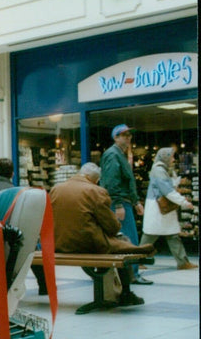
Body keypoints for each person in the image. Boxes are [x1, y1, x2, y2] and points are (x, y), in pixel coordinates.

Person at [50, 162, 153, 305]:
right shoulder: (96, 191)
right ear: (94, 179)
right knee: (123, 242)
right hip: (87, 244)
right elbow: (112, 227)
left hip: (59, 244)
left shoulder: (56, 189)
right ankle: (126, 293)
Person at [100, 124, 151, 285]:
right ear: (116, 137)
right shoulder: (113, 155)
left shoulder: (120, 154)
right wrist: (118, 204)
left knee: (128, 238)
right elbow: (111, 181)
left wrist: (135, 202)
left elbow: (126, 181)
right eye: (124, 135)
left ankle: (130, 273)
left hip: (124, 202)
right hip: (120, 202)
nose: (128, 137)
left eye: (129, 135)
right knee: (127, 239)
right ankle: (131, 274)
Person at [140, 147, 197, 270]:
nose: (173, 159)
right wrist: (184, 202)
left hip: (163, 208)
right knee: (150, 235)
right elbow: (167, 190)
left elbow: (169, 187)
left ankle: (182, 262)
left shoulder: (164, 169)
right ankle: (136, 261)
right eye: (171, 156)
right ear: (165, 157)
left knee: (172, 234)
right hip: (158, 207)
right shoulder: (159, 170)